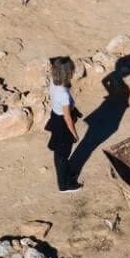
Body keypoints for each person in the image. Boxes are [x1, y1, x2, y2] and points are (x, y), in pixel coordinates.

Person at [47, 57, 83, 193]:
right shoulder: (64, 96)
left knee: (61, 152)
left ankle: (66, 173)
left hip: (56, 118)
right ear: (68, 75)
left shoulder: (53, 82)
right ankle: (65, 185)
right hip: (63, 123)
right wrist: (74, 133)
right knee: (62, 154)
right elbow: (68, 118)